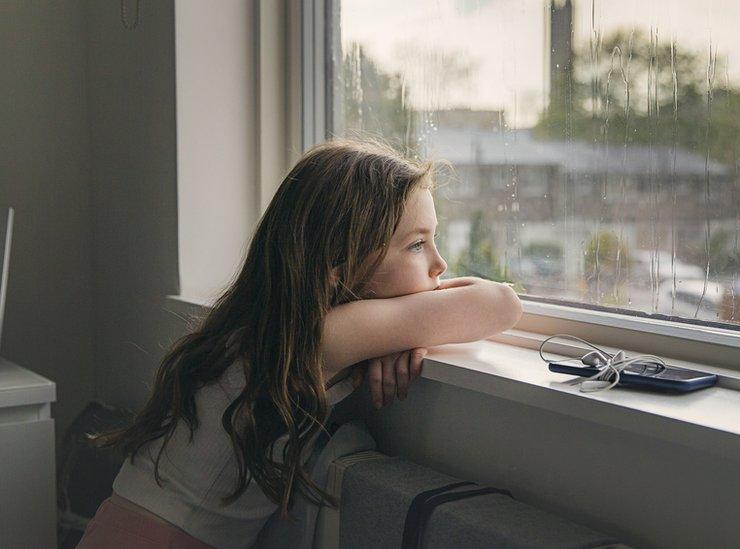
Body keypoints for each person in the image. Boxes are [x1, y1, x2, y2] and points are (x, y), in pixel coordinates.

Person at [78, 139, 522, 548]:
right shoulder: (319, 336)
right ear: (338, 267)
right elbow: (501, 303)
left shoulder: (266, 326)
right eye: (416, 245)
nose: (439, 263)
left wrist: (405, 329)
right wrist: (407, 326)